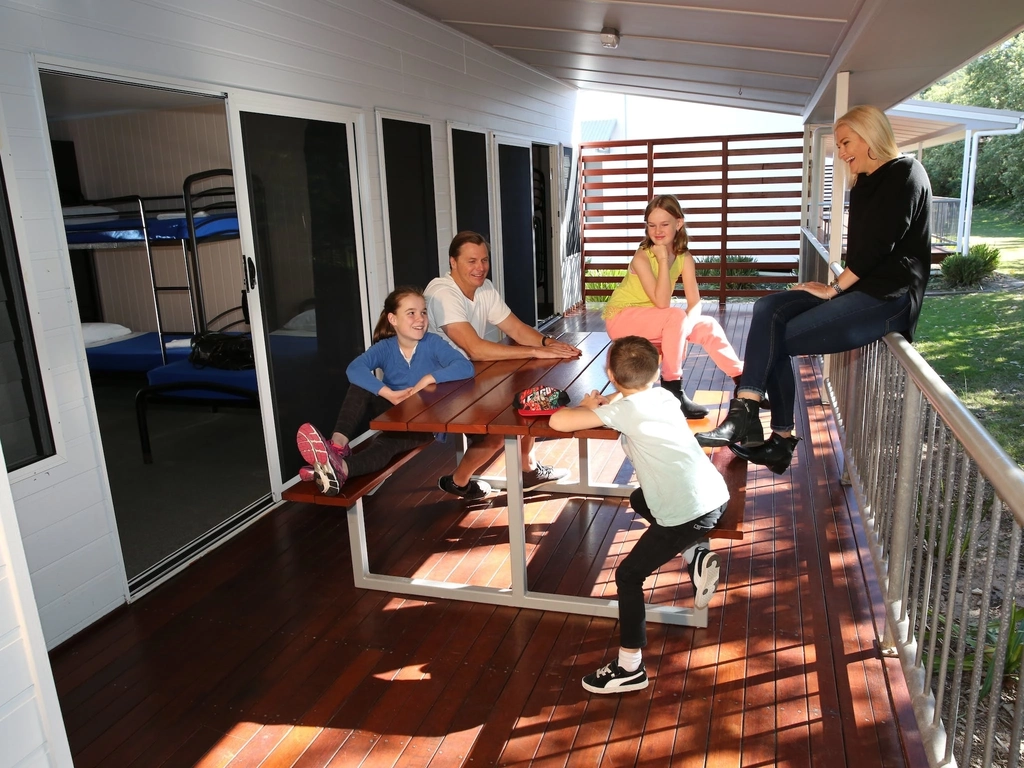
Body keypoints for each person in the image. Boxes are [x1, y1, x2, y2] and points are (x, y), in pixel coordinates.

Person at [696, 105, 932, 474]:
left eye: (845, 142)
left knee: (777, 340)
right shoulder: (867, 181)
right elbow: (861, 250)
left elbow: (877, 249)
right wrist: (835, 287)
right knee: (768, 310)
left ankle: (774, 434)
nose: (840, 153)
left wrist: (834, 288)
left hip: (889, 298)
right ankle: (754, 415)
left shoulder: (906, 174)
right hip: (860, 288)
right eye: (838, 145)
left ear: (870, 137)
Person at [549, 336, 728, 694]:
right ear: (657, 369)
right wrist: (610, 398)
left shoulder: (622, 410)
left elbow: (558, 422)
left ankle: (630, 667)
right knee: (639, 498)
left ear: (610, 373)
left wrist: (590, 404)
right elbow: (629, 398)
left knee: (629, 575)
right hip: (714, 497)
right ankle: (695, 554)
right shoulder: (662, 396)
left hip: (689, 512)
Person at [426, 231, 583, 500]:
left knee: (529, 395)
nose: (480, 268)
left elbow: (517, 328)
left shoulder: (483, 287)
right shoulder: (442, 293)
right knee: (500, 430)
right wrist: (534, 351)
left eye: (484, 260)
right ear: (453, 262)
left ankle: (528, 468)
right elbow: (474, 349)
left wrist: (547, 343)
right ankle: (458, 481)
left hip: (468, 375)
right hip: (439, 386)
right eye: (471, 261)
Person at [296, 286, 473, 495]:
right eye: (411, 313)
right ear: (393, 319)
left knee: (386, 445)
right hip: (392, 411)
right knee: (360, 384)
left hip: (425, 422)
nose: (421, 318)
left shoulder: (433, 343)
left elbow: (465, 366)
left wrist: (428, 378)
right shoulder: (385, 347)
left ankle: (339, 468)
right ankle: (337, 447)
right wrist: (389, 393)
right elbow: (354, 368)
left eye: (423, 312)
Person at [602, 194, 747, 420]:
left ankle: (743, 381)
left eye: (664, 224)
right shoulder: (642, 256)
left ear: (678, 223)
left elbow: (695, 302)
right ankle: (673, 390)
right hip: (623, 317)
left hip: (655, 321)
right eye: (651, 225)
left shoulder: (683, 257)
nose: (657, 231)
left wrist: (685, 328)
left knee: (707, 325)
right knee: (675, 316)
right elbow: (662, 302)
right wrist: (661, 260)